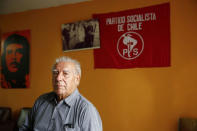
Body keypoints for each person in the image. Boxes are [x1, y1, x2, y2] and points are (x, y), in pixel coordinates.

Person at [19, 56, 102, 131]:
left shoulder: (86, 110)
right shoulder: (41, 101)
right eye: (55, 73)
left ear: (77, 79)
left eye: (65, 74)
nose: (58, 78)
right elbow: (25, 128)